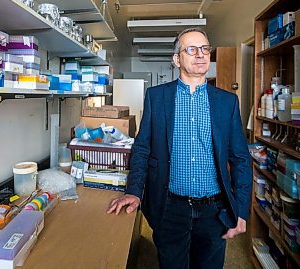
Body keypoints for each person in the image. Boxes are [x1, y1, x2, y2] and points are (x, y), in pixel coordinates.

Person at [107, 28, 252, 269]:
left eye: (205, 48)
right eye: (191, 49)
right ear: (177, 59)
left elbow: (240, 159)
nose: (201, 54)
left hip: (214, 212)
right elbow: (142, 149)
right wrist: (133, 191)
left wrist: (241, 210)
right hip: (169, 208)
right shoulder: (156, 97)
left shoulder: (227, 102)